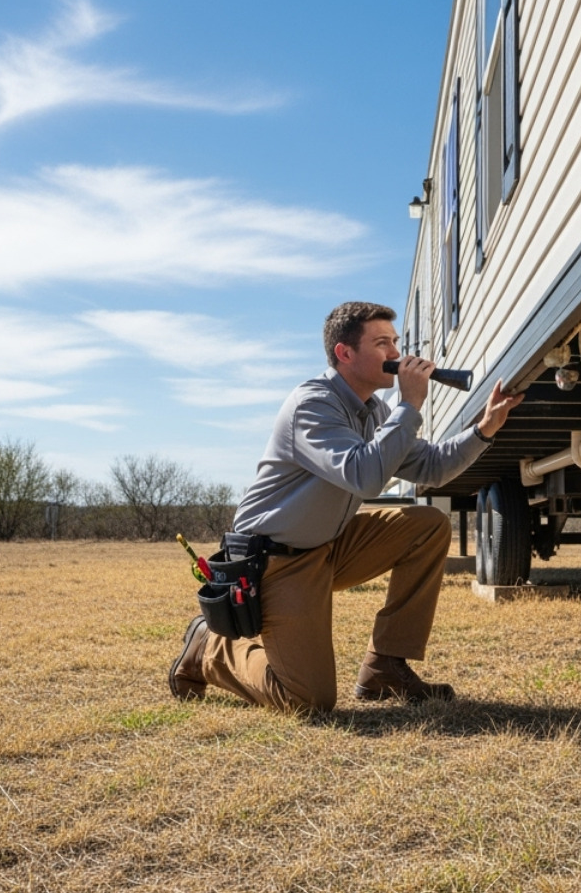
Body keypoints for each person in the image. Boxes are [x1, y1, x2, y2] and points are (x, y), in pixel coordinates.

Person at [168, 301, 523, 711]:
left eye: (395, 342)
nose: (396, 354)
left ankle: (385, 666)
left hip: (329, 546)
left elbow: (432, 467)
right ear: (344, 353)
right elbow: (363, 475)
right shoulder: (313, 405)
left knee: (427, 524)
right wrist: (410, 405)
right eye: (382, 343)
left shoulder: (375, 412)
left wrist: (485, 428)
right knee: (307, 700)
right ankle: (209, 646)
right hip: (276, 561)